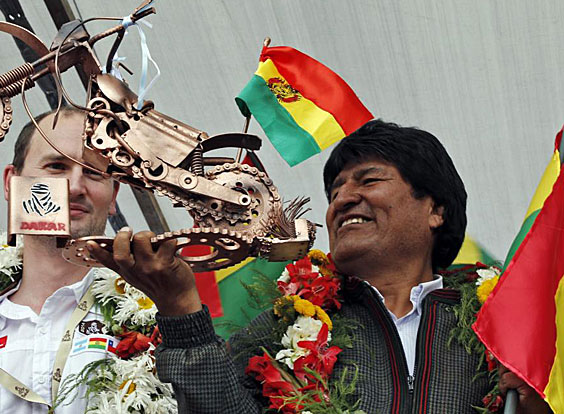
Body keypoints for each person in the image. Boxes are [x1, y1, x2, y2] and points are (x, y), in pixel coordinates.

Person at [89, 120, 552, 413]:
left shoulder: (502, 328)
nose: (343, 199)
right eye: (334, 192)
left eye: (369, 180)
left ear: (435, 210)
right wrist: (180, 308)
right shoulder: (280, 325)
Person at [0, 108, 121, 414]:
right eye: (56, 166)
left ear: (114, 195)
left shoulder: (156, 311)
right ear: (11, 183)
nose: (75, 186)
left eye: (93, 171)